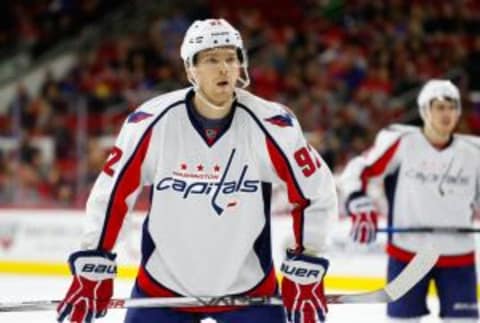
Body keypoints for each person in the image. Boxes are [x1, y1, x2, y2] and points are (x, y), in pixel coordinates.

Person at [56, 18, 338, 323]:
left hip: (249, 290)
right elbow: (112, 195)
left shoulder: (273, 125)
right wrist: (94, 261)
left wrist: (306, 262)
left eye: (231, 58)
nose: (224, 68)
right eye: (212, 59)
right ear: (190, 68)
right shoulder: (151, 122)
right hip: (162, 288)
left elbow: (314, 193)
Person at [338, 79, 479, 322]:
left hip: (459, 255)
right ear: (425, 110)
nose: (447, 114)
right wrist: (358, 202)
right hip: (409, 254)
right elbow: (358, 170)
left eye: (452, 107)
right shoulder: (401, 142)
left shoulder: (474, 151)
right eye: (439, 107)